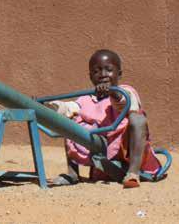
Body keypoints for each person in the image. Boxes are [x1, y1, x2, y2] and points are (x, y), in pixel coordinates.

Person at [48, 49, 161, 188]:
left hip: (125, 147)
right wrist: (45, 107)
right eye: (96, 71)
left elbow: (124, 103)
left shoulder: (125, 91)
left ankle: (133, 172)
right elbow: (69, 107)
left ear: (119, 74)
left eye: (108, 70)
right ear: (90, 76)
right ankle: (72, 173)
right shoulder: (85, 99)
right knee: (69, 121)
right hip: (102, 148)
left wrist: (113, 92)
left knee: (138, 119)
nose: (102, 75)